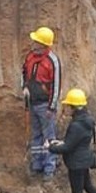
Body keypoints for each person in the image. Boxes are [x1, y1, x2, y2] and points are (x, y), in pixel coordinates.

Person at [21, 26, 62, 181]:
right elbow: (24, 72)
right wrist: (24, 87)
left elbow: (56, 85)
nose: (33, 43)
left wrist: (52, 107)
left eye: (36, 41)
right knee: (36, 135)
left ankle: (49, 168)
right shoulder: (30, 57)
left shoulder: (52, 61)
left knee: (49, 137)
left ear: (43, 44)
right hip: (32, 103)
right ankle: (37, 164)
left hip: (45, 105)